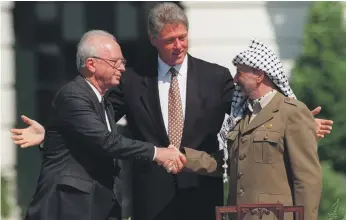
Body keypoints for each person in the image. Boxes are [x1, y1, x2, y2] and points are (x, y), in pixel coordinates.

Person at [11, 3, 333, 220]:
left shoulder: (217, 77)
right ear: (154, 40)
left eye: (183, 37)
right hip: (152, 203)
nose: (178, 45)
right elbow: (100, 122)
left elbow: (252, 111)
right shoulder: (134, 79)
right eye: (170, 40)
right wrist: (54, 135)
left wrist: (298, 122)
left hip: (202, 198)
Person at [17, 30, 186, 220]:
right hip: (68, 206)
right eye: (116, 62)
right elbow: (106, 141)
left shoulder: (104, 101)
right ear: (91, 64)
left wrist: (49, 136)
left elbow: (81, 137)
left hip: (99, 205)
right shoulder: (73, 96)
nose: (122, 68)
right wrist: (158, 153)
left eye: (123, 62)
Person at [172, 39, 322, 220]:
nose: (234, 80)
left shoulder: (292, 112)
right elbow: (225, 163)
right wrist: (184, 158)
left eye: (239, 73)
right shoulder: (242, 116)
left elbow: (307, 179)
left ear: (259, 75)